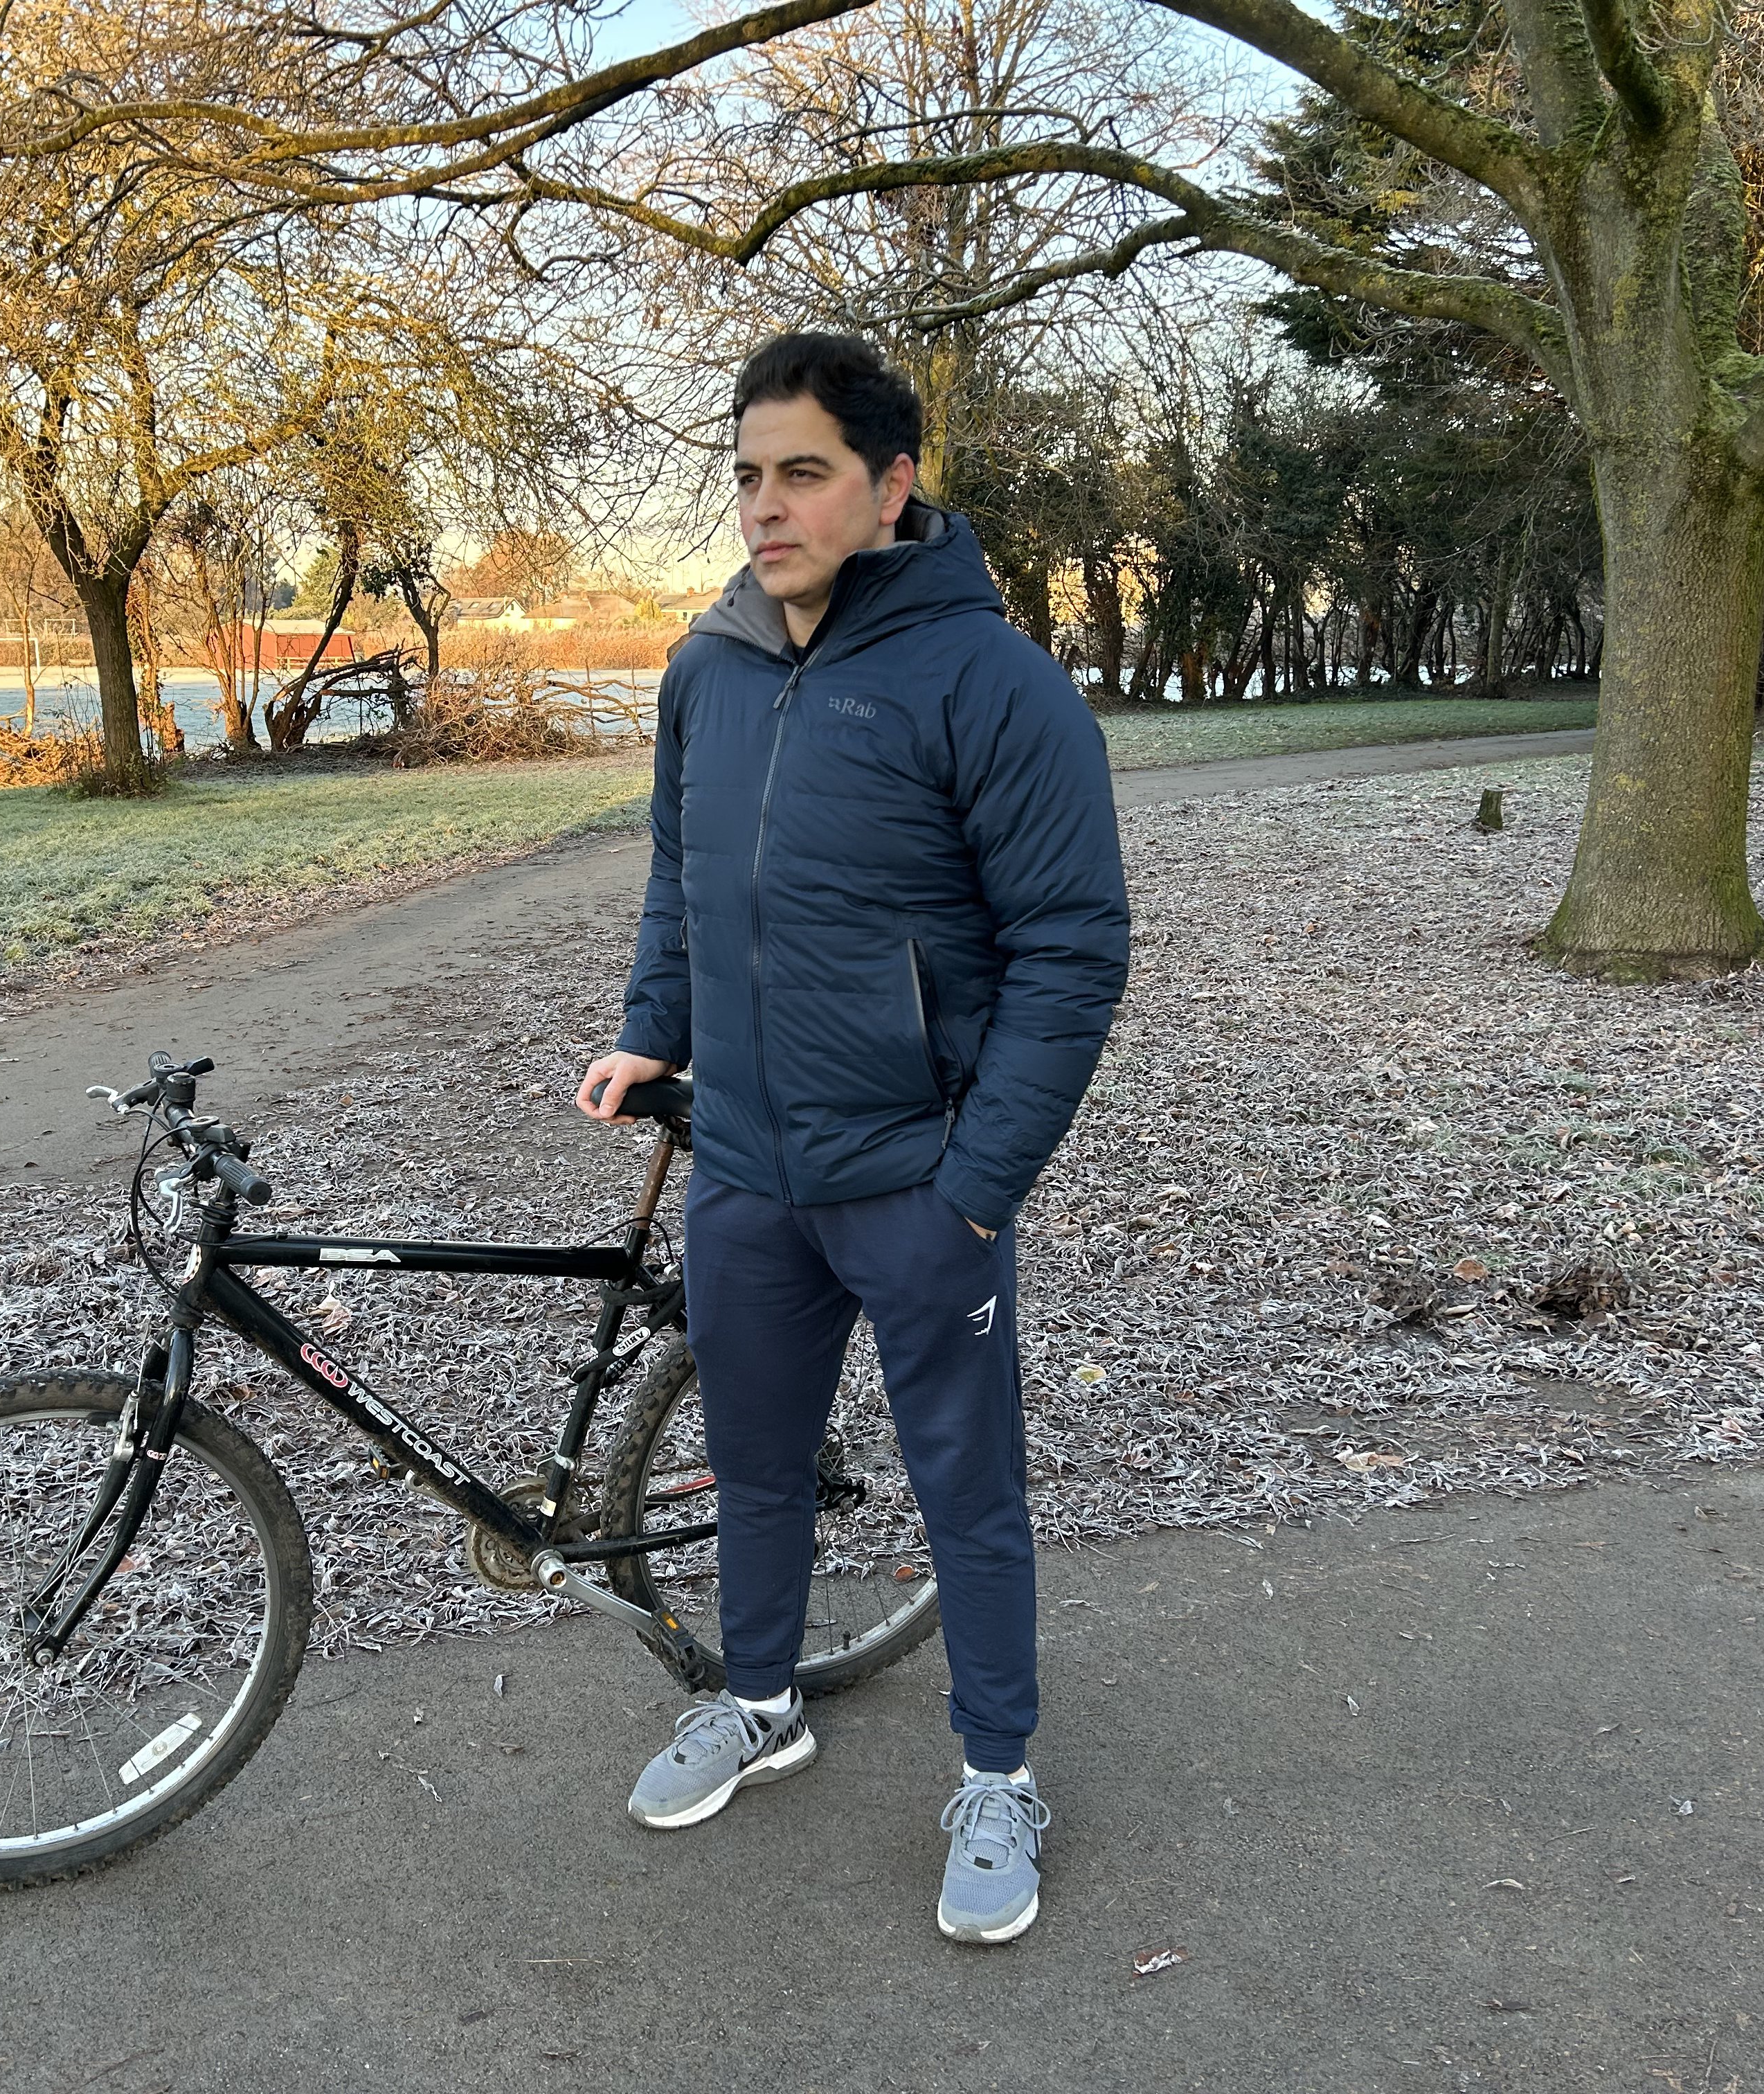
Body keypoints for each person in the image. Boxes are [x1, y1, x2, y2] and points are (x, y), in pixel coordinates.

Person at [576, 332, 1130, 1944]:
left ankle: (1002, 1773)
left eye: (802, 471)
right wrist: (648, 1028)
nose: (766, 505)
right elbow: (685, 878)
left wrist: (977, 1187)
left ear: (891, 487)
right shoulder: (710, 667)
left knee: (967, 1488)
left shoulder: (992, 682)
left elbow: (1073, 950)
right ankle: (762, 1702)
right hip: (748, 1169)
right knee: (754, 1460)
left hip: (915, 1178)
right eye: (747, 475)